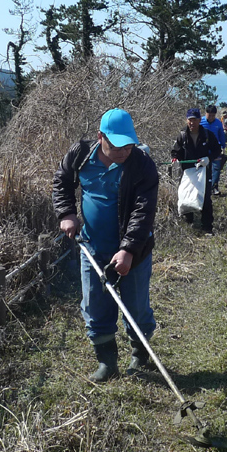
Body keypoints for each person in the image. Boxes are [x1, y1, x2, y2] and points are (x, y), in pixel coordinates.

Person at [52, 108, 160, 381]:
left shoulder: (142, 165)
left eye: (128, 145)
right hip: (92, 247)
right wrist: (66, 213)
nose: (123, 151)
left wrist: (128, 250)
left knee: (136, 306)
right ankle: (107, 362)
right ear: (100, 137)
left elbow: (143, 211)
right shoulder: (80, 154)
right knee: (94, 306)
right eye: (116, 145)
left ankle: (139, 354)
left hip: (134, 251)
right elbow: (61, 181)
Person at [170, 107, 221, 233]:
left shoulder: (207, 135)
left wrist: (208, 159)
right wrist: (175, 159)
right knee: (187, 195)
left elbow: (217, 150)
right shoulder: (182, 135)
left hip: (203, 171)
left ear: (199, 120)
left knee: (205, 198)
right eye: (190, 120)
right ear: (187, 120)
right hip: (187, 172)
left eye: (194, 120)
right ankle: (189, 223)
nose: (192, 123)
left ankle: (207, 227)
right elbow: (175, 151)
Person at [200, 104, 227, 196]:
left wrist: (223, 146)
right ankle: (203, 187)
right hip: (203, 149)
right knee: (203, 168)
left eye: (213, 115)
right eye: (209, 115)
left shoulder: (218, 123)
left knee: (216, 168)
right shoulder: (200, 122)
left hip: (215, 149)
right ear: (205, 113)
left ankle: (214, 187)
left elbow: (221, 135)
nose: (211, 117)